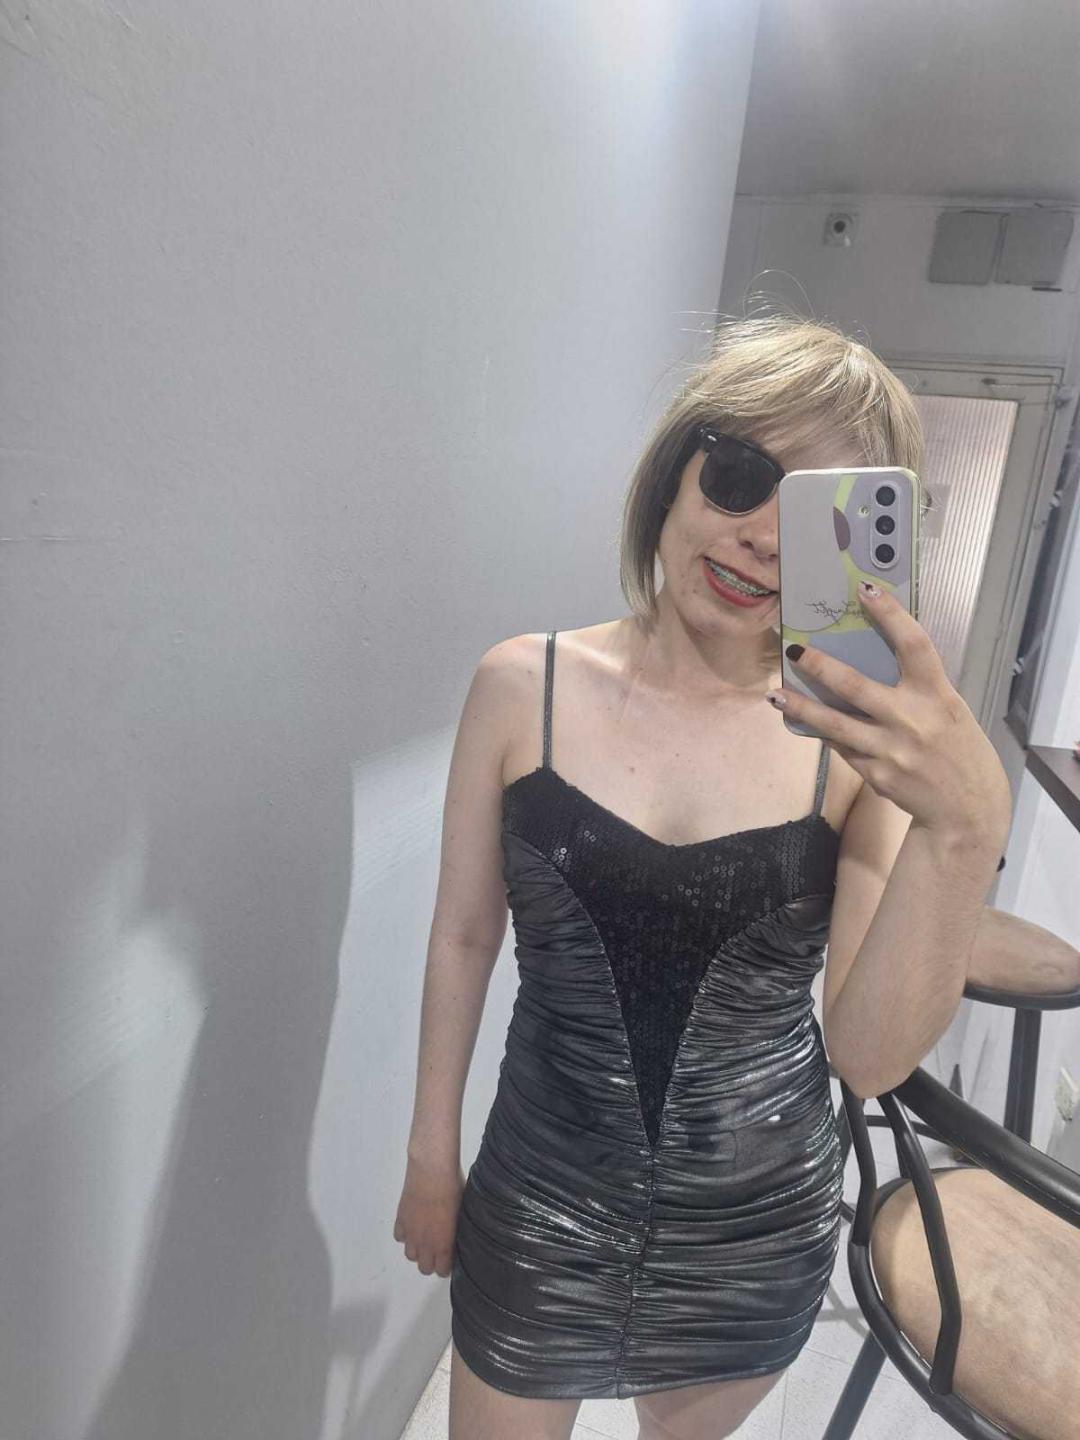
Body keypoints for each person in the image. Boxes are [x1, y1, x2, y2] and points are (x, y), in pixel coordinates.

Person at [393, 312, 1012, 1440]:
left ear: (859, 556)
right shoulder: (520, 688)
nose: (763, 539)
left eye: (818, 519)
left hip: (756, 1229)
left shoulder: (853, 749)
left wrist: (967, 829)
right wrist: (432, 1156)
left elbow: (868, 1053)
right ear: (675, 474)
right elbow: (464, 936)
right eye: (738, 477)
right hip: (540, 1196)